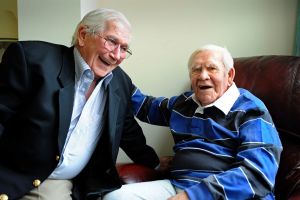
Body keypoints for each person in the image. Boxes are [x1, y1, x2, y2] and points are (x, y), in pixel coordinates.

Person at [0, 8, 160, 200]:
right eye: (111, 41)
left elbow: (127, 130)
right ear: (83, 35)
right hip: (24, 175)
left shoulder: (120, 82)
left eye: (124, 48)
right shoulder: (32, 59)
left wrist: (156, 165)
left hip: (72, 181)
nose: (117, 55)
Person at [103, 44, 283, 200]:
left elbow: (258, 173)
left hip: (226, 195)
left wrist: (194, 195)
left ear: (229, 75)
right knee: (115, 197)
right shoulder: (184, 104)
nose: (203, 76)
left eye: (212, 68)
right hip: (178, 187)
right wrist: (110, 66)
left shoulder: (251, 110)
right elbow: (144, 106)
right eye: (196, 69)